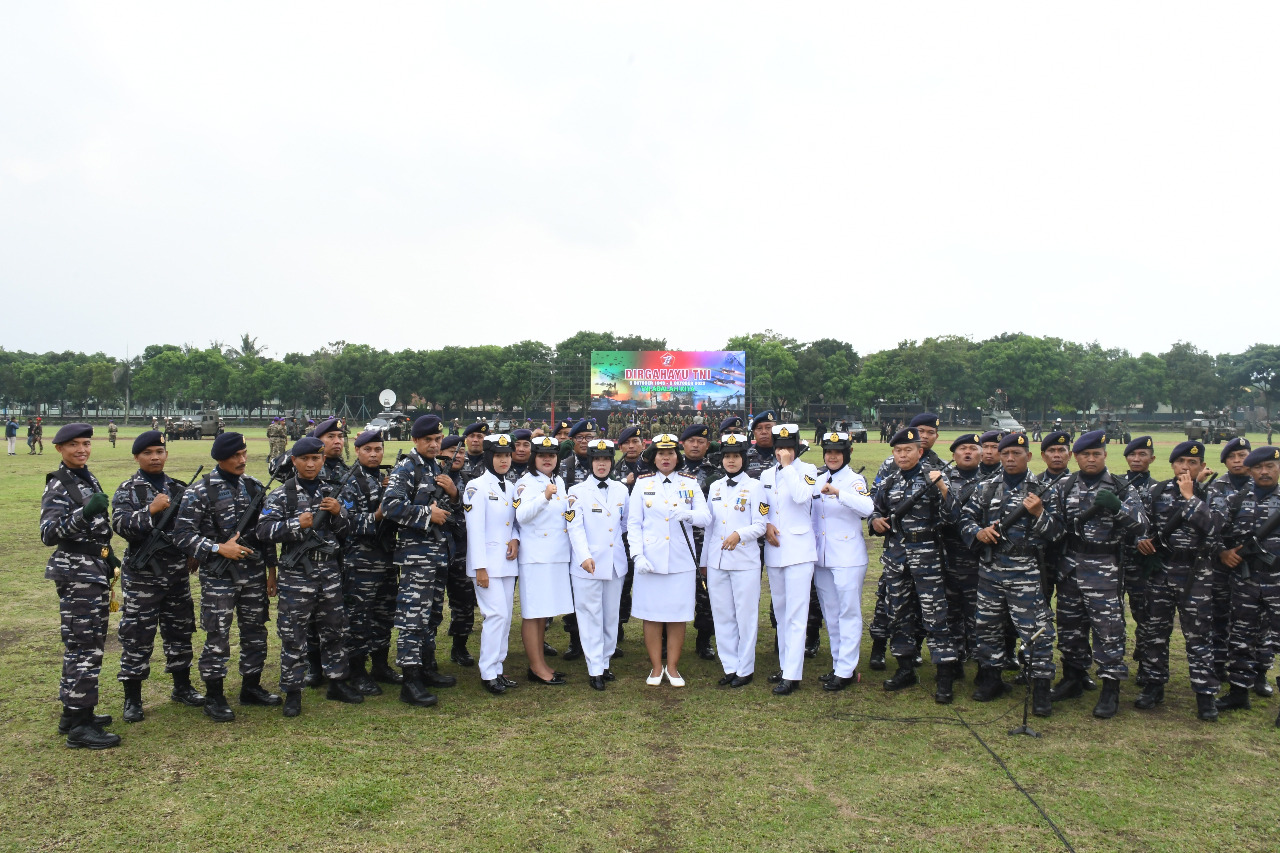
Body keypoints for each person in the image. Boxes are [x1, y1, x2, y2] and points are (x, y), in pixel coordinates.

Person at [1038, 430, 1150, 718]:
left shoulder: (1121, 487)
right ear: (1076, 457)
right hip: (1071, 568)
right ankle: (1073, 678)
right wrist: (1039, 516)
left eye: (1096, 454)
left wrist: (1118, 508)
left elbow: (1141, 525)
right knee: (1070, 629)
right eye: (1085, 455)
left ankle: (1110, 689)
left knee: (1109, 631)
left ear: (1104, 456)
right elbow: (1055, 528)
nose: (1090, 459)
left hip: (1105, 569)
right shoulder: (1065, 486)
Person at [172, 431, 281, 722]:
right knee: (218, 634)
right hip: (219, 576)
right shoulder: (199, 491)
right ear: (221, 458)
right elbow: (182, 536)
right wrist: (218, 548)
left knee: (256, 630)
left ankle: (251, 687)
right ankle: (215, 695)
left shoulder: (255, 487)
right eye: (236, 456)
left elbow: (265, 535)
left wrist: (272, 571)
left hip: (254, 573)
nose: (242, 460)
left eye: (244, 454)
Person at [256, 436, 363, 717]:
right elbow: (263, 531)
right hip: (296, 576)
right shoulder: (282, 495)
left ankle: (337, 682)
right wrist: (295, 524)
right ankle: (292, 691)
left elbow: (348, 529)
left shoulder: (333, 493)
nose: (311, 464)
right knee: (294, 635)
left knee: (335, 630)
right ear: (294, 461)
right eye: (305, 459)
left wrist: (339, 513)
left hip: (328, 572)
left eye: (316, 458)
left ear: (323, 460)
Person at [110, 430, 204, 724]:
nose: (155, 457)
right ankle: (133, 699)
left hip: (176, 574)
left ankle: (182, 687)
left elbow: (191, 526)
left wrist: (194, 551)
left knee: (179, 631)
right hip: (143, 577)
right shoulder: (128, 490)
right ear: (137, 456)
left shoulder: (178, 489)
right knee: (138, 636)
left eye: (160, 452)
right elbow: (120, 524)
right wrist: (149, 511)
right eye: (148, 453)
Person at [961, 432, 1056, 716]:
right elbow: (965, 518)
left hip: (1026, 571)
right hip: (991, 569)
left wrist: (1039, 514)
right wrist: (979, 531)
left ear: (1028, 456)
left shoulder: (1043, 489)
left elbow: (1058, 533)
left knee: (1036, 630)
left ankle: (1040, 688)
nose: (1011, 459)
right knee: (987, 626)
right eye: (1006, 454)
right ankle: (991, 679)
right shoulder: (987, 487)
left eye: (1017, 454)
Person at [40, 423, 121, 749]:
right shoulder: (59, 485)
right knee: (85, 647)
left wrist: (110, 555)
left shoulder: (84, 476)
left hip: (92, 570)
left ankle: (71, 714)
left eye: (86, 443)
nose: (81, 450)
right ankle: (81, 725)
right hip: (77, 576)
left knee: (85, 643)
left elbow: (96, 530)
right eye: (73, 445)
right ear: (59, 448)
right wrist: (84, 513)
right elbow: (49, 534)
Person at [1132, 441, 1220, 721]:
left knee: (1198, 636)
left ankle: (1205, 695)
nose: (1186, 467)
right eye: (1181, 462)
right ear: (1172, 465)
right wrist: (1141, 542)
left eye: (1193, 463)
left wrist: (1191, 498)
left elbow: (1216, 531)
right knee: (1155, 632)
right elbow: (1141, 526)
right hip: (1162, 572)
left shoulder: (1211, 494)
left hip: (1196, 574)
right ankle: (1154, 684)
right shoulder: (1157, 492)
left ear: (1201, 466)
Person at [869, 426, 956, 701]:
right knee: (899, 614)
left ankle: (944, 677)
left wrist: (942, 485)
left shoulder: (933, 477)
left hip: (927, 555)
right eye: (898, 451)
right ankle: (905, 668)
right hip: (896, 556)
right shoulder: (889, 481)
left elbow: (954, 514)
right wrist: (875, 520)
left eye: (908, 450)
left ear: (920, 451)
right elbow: (876, 508)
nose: (903, 455)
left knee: (935, 616)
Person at [382, 415, 458, 708]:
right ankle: (410, 680)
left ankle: (427, 668)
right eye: (428, 440)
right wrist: (427, 515)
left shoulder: (435, 466)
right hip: (416, 557)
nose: (434, 444)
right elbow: (390, 506)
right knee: (413, 617)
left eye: (438, 440)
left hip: (437, 554)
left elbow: (446, 507)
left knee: (432, 615)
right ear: (415, 440)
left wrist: (453, 493)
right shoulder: (407, 467)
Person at [626, 433, 711, 687]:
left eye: (671, 453)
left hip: (680, 560)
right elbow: (634, 524)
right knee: (651, 615)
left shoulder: (690, 482)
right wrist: (637, 555)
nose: (666, 458)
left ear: (678, 457)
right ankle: (655, 668)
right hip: (650, 560)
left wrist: (688, 514)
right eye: (661, 454)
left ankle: (672, 668)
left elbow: (706, 518)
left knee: (677, 615)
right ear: (653, 458)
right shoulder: (642, 484)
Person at [1216, 445, 1280, 721]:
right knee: (1240, 636)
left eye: (1270, 467)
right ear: (1250, 470)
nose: (1264, 472)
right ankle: (1239, 692)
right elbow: (1215, 530)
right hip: (1246, 580)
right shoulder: (1237, 499)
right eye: (1258, 468)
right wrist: (1222, 551)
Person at [339, 429, 403, 695]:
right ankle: (357, 671)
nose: (374, 454)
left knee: (384, 613)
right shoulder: (349, 481)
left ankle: (380, 665)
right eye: (368, 450)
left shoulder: (387, 479)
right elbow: (343, 523)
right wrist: (377, 515)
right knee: (358, 617)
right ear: (357, 451)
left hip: (386, 558)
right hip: (360, 561)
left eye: (378, 449)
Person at [810, 431, 874, 692]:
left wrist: (838, 492)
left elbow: (868, 508)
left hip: (848, 556)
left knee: (848, 612)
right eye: (828, 452)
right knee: (831, 613)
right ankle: (838, 665)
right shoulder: (816, 477)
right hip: (822, 556)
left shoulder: (855, 480)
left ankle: (847, 670)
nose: (832, 456)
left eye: (837, 452)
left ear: (847, 454)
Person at [701, 434, 766, 687]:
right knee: (722, 614)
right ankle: (729, 665)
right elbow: (710, 527)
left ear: (743, 459)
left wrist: (740, 534)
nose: (731, 460)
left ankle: (745, 668)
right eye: (727, 456)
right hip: (717, 561)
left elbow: (761, 525)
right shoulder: (715, 487)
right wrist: (705, 560)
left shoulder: (755, 486)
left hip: (744, 561)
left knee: (745, 615)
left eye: (735, 456)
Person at [566, 438, 631, 690]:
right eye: (597, 459)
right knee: (590, 615)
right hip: (587, 565)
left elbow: (624, 525)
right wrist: (584, 556)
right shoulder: (576, 492)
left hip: (614, 565)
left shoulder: (621, 490)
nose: (601, 464)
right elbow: (574, 527)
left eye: (606, 460)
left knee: (610, 616)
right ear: (590, 462)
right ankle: (594, 669)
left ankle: (605, 663)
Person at [760, 423, 819, 695]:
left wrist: (787, 467)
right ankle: (785, 666)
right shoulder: (764, 475)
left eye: (789, 447)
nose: (783, 451)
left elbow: (801, 496)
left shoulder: (808, 471)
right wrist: (765, 525)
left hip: (799, 552)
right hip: (775, 550)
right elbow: (763, 508)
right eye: (779, 447)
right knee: (782, 613)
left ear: (796, 448)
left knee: (797, 614)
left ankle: (793, 674)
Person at [464, 434, 521, 694]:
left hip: (507, 563)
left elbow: (515, 522)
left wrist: (516, 540)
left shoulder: (510, 487)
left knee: (505, 617)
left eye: (507, 455)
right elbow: (474, 530)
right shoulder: (475, 487)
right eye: (499, 456)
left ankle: (498, 667)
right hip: (486, 565)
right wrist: (480, 568)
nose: (504, 460)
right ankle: (488, 672)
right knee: (495, 615)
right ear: (489, 457)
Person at [513, 436, 572, 686]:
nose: (547, 459)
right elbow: (521, 515)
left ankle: (541, 664)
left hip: (556, 556)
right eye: (541, 455)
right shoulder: (526, 483)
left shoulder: (556, 480)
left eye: (551, 455)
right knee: (533, 613)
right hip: (536, 558)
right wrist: (544, 497)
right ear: (533, 458)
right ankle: (536, 667)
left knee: (542, 615)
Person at [678, 423, 719, 660]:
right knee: (673, 588)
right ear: (683, 443)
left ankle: (704, 640)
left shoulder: (716, 472)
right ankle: (666, 639)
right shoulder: (671, 468)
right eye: (691, 441)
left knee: (706, 593)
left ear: (707, 445)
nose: (696, 445)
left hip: (705, 541)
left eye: (701, 442)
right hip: (677, 540)